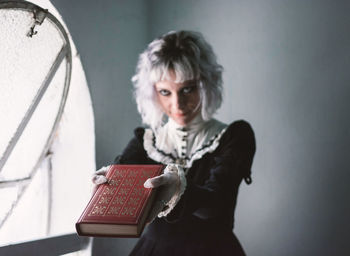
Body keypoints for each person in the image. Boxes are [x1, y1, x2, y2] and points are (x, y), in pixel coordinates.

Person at [93, 30, 256, 256]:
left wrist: (179, 191)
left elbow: (216, 204)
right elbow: (119, 178)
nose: (177, 104)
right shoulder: (146, 141)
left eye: (187, 89)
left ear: (206, 84)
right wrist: (108, 185)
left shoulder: (234, 136)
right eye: (165, 92)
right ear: (152, 93)